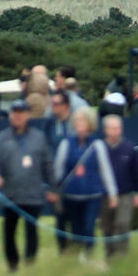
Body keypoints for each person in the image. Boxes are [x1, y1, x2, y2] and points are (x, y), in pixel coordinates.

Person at [0, 99, 54, 271]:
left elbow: (48, 164)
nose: (17, 116)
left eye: (21, 113)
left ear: (27, 115)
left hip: (33, 195)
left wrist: (53, 187)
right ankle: (13, 265)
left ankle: (30, 265)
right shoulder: (2, 138)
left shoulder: (39, 138)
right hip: (11, 195)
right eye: (14, 113)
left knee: (31, 231)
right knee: (9, 232)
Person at [50, 107, 112, 257]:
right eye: (76, 121)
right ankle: (76, 257)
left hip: (92, 194)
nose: (79, 124)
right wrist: (54, 189)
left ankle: (89, 254)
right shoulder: (66, 144)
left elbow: (106, 171)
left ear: (90, 123)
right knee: (76, 228)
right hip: (71, 195)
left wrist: (112, 193)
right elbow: (58, 168)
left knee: (89, 227)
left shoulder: (98, 145)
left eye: (82, 120)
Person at [99, 114, 138, 258]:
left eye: (118, 128)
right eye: (113, 128)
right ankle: (110, 256)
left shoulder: (129, 147)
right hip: (104, 196)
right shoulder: (99, 148)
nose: (116, 131)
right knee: (107, 228)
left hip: (124, 194)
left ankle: (123, 257)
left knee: (123, 224)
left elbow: (137, 171)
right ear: (106, 130)